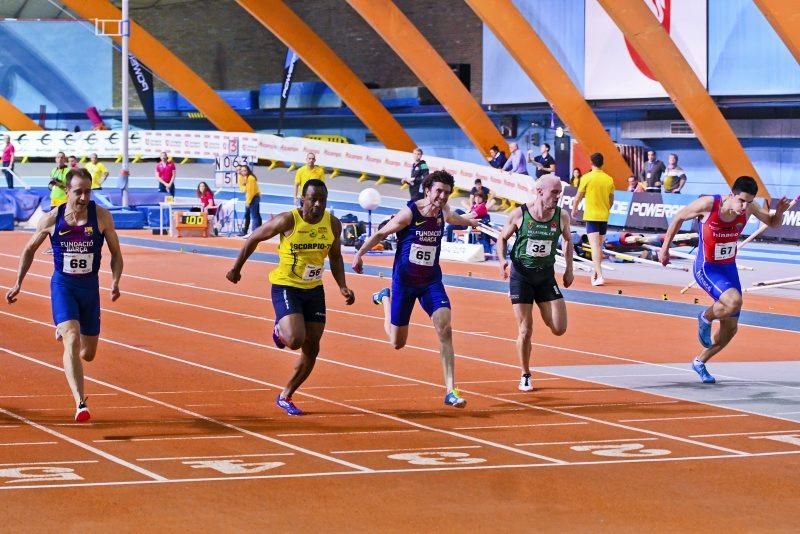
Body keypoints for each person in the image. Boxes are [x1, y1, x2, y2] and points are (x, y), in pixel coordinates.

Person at [226, 179, 355, 415]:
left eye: (322, 201)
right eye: (313, 199)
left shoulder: (333, 224)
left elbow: (335, 257)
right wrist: (237, 268)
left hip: (314, 289)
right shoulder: (288, 220)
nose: (318, 205)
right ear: (302, 199)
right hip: (286, 286)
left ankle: (286, 395)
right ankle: (279, 330)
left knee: (312, 347)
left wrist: (342, 286)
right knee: (295, 340)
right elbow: (254, 237)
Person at [352, 170, 479, 408]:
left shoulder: (443, 211)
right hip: (404, 283)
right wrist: (359, 254)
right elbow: (381, 233)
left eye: (446, 193)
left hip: (431, 282)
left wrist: (470, 221)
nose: (442, 196)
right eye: (438, 191)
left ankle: (451, 390)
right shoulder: (409, 213)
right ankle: (385, 299)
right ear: (428, 189)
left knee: (445, 328)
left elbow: (453, 218)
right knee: (397, 342)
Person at [6, 168, 123, 422]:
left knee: (87, 354)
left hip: (89, 290)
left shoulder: (101, 217)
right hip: (64, 286)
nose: (83, 197)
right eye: (78, 192)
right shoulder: (51, 219)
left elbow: (116, 254)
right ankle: (80, 402)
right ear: (66, 192)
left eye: (87, 192)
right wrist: (18, 283)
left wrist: (115, 281)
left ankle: (69, 331)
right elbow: (28, 250)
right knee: (71, 338)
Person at [658, 177, 790, 384]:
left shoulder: (749, 207)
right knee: (734, 301)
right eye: (741, 201)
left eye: (749, 202)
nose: (744, 207)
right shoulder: (709, 204)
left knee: (730, 329)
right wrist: (665, 249)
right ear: (731, 195)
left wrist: (780, 211)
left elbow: (772, 223)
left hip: (728, 269)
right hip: (707, 267)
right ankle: (705, 317)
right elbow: (678, 218)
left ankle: (700, 362)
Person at [497, 174, 573, 391]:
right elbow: (502, 238)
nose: (558, 197)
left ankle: (543, 306)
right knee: (525, 329)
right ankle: (525, 374)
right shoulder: (520, 215)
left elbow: (568, 240)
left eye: (560, 193)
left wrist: (569, 269)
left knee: (558, 328)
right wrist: (502, 261)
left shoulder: (561, 216)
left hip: (546, 275)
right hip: (521, 275)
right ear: (540, 192)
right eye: (554, 192)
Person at [571, 152, 614, 286]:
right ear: (603, 163)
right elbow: (611, 199)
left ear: (591, 163)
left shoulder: (587, 177)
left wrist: (574, 209)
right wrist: (606, 209)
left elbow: (578, 196)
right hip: (604, 216)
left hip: (592, 216)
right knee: (598, 247)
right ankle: (595, 273)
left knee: (595, 247)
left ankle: (600, 276)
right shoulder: (609, 179)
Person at [237, 164, 262, 236]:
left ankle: (255, 232)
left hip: (253, 197)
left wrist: (248, 202)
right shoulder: (243, 177)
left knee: (254, 215)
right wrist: (245, 188)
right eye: (241, 171)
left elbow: (251, 192)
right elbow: (242, 188)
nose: (243, 172)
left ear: (248, 170)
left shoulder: (250, 178)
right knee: (249, 214)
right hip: (250, 197)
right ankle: (247, 231)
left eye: (245, 170)